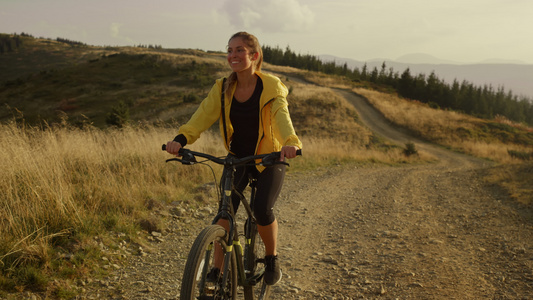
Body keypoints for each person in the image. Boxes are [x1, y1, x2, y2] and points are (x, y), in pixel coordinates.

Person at [165, 31, 302, 285]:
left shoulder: (271, 87)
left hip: (269, 158)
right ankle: (217, 270)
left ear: (254, 56)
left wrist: (290, 144)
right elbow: (202, 116)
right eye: (229, 50)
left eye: (239, 50)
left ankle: (271, 258)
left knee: (262, 209)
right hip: (237, 157)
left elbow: (282, 118)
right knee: (224, 214)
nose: (233, 55)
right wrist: (181, 139)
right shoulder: (223, 88)